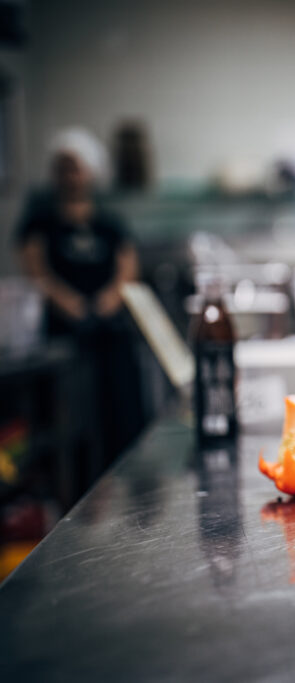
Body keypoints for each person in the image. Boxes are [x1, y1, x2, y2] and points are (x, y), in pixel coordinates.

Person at [16, 128, 145, 471]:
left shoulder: (109, 223)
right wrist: (68, 302)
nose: (70, 175)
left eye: (76, 166)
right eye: (63, 167)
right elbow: (37, 271)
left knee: (118, 415)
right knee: (71, 424)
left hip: (109, 332)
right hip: (63, 338)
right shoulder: (41, 221)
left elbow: (126, 269)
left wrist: (107, 300)